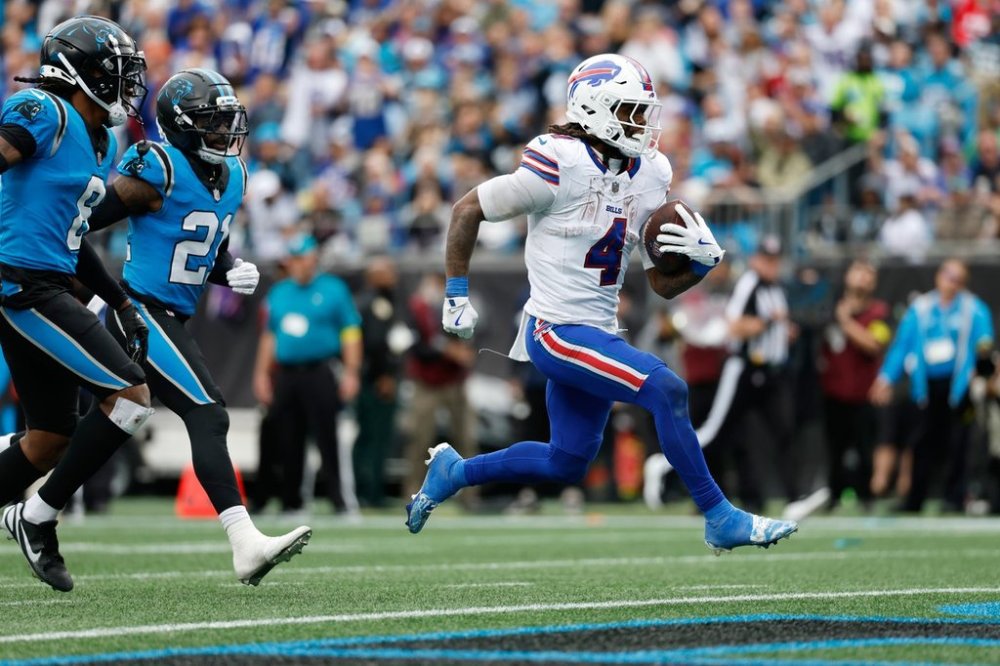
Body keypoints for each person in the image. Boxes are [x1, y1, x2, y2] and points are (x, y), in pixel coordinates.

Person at [404, 53, 797, 552]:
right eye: (631, 111)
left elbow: (659, 284)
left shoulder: (651, 173)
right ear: (594, 108)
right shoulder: (557, 162)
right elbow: (467, 209)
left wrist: (697, 266)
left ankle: (453, 472)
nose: (643, 123)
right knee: (667, 390)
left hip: (599, 332)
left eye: (644, 111)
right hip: (557, 332)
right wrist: (455, 292)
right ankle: (719, 515)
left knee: (565, 460)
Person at [84, 69, 309, 584]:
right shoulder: (156, 165)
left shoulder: (234, 176)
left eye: (228, 122)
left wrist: (228, 267)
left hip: (168, 314)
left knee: (100, 422)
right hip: (135, 307)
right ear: (182, 127)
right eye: (212, 123)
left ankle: (36, 510)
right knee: (207, 414)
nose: (225, 134)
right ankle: (243, 541)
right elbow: (77, 220)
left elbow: (203, 242)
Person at [0, 16, 154, 592]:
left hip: (51, 281)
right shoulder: (43, 110)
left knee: (48, 441)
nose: (122, 84)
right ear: (75, 72)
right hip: (20, 282)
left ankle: (30, 511)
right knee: (131, 397)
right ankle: (37, 518)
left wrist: (120, 301)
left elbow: (74, 235)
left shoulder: (102, 139)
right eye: (108, 72)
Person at [870, 259, 994, 512]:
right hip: (926, 386)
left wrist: (981, 375)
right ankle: (915, 498)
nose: (952, 283)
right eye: (949, 275)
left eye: (958, 279)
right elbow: (901, 346)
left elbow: (984, 345)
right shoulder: (921, 308)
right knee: (920, 442)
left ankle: (954, 497)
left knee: (959, 441)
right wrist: (885, 378)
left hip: (960, 386)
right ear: (939, 276)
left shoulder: (974, 310)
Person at [253, 234, 362, 515]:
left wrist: (351, 372)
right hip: (287, 374)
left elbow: (350, 332)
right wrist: (262, 374)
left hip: (320, 370)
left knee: (327, 436)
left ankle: (340, 500)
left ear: (314, 260)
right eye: (296, 259)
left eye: (305, 259)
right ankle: (292, 500)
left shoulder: (333, 289)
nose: (300, 265)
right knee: (288, 437)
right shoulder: (279, 293)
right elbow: (269, 337)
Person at [694, 236, 798, 514]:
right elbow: (734, 326)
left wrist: (783, 331)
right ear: (755, 260)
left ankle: (794, 498)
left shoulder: (776, 288)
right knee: (715, 431)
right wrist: (768, 323)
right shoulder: (749, 283)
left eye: (775, 261)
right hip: (744, 368)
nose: (771, 266)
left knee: (783, 432)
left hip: (772, 372)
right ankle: (674, 475)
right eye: (767, 260)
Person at [818, 260, 891, 511]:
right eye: (859, 272)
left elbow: (874, 343)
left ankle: (866, 497)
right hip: (833, 391)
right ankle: (833, 496)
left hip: (864, 392)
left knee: (864, 448)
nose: (863, 279)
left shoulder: (879, 312)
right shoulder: (829, 308)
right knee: (834, 449)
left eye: (868, 274)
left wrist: (846, 322)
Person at [403, 272, 477, 501]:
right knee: (419, 439)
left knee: (466, 438)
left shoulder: (459, 306)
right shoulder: (416, 308)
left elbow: (470, 338)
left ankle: (470, 495)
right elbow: (415, 345)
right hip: (427, 382)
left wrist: (462, 350)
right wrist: (446, 351)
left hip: (455, 381)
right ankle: (412, 491)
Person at [353, 256, 405, 508]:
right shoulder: (374, 303)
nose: (393, 274)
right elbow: (375, 343)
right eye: (387, 270)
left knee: (374, 435)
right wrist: (384, 375)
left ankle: (370, 489)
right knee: (373, 435)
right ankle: (368, 491)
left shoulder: (384, 300)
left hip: (373, 377)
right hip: (374, 379)